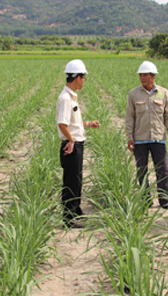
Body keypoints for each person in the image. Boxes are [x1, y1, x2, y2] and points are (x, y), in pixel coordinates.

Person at [125, 61, 168, 211]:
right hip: (140, 139)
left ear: (153, 76)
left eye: (145, 75)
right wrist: (129, 137)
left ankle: (165, 200)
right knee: (142, 170)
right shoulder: (134, 94)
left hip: (158, 139)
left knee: (162, 169)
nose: (142, 77)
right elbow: (130, 117)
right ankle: (146, 200)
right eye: (140, 75)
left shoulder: (163, 93)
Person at [56, 59, 100, 228]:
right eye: (84, 78)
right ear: (78, 78)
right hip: (71, 145)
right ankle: (68, 218)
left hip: (75, 143)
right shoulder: (66, 98)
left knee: (77, 180)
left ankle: (75, 210)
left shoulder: (71, 96)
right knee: (71, 181)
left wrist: (88, 124)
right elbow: (62, 124)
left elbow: (72, 122)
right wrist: (72, 140)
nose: (84, 81)